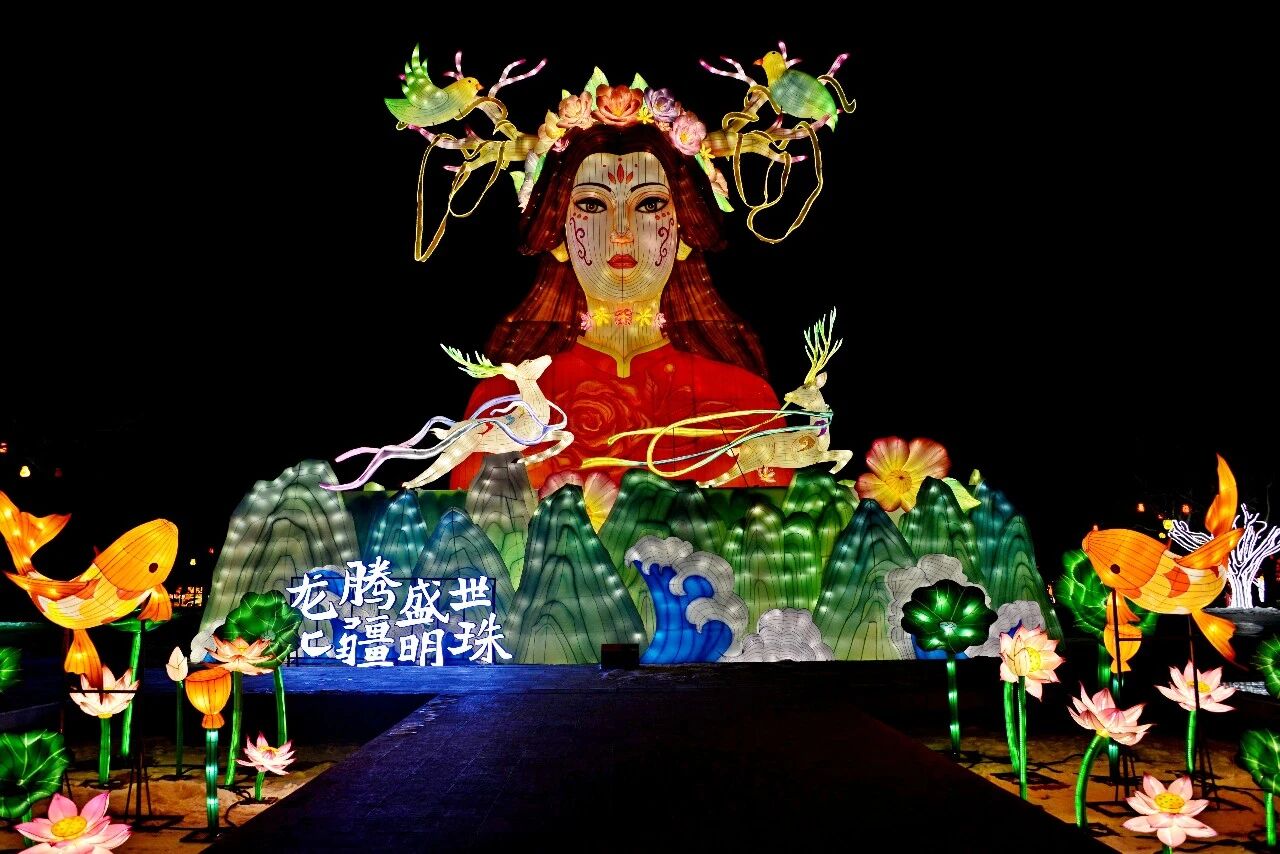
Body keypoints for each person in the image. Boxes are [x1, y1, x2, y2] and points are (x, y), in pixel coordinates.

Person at [448, 114, 790, 491]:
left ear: (685, 233)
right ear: (559, 236)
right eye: (593, 205)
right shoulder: (502, 402)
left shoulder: (745, 399)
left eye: (650, 204)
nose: (621, 232)